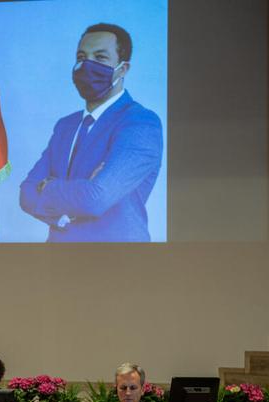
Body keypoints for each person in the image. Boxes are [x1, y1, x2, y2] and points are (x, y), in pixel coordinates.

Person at [19, 23, 163, 242]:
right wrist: (68, 207)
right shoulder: (65, 126)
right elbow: (26, 194)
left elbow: (95, 199)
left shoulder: (141, 123)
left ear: (123, 69)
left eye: (100, 58)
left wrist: (47, 186)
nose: (87, 65)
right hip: (58, 263)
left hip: (118, 264)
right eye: (81, 57)